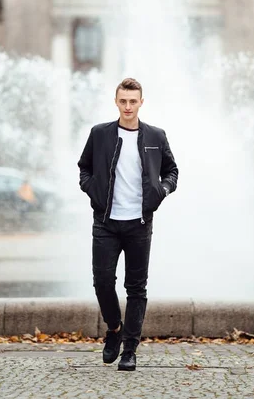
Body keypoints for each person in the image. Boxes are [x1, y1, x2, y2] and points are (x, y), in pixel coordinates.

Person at [78, 77, 178, 372]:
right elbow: (84, 166)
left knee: (136, 288)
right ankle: (114, 329)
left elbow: (171, 170)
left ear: (141, 103)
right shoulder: (100, 134)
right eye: (123, 101)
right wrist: (90, 188)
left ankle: (130, 351)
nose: (128, 106)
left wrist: (163, 190)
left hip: (139, 223)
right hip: (106, 222)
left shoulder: (155, 136)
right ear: (116, 102)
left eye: (133, 101)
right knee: (102, 282)